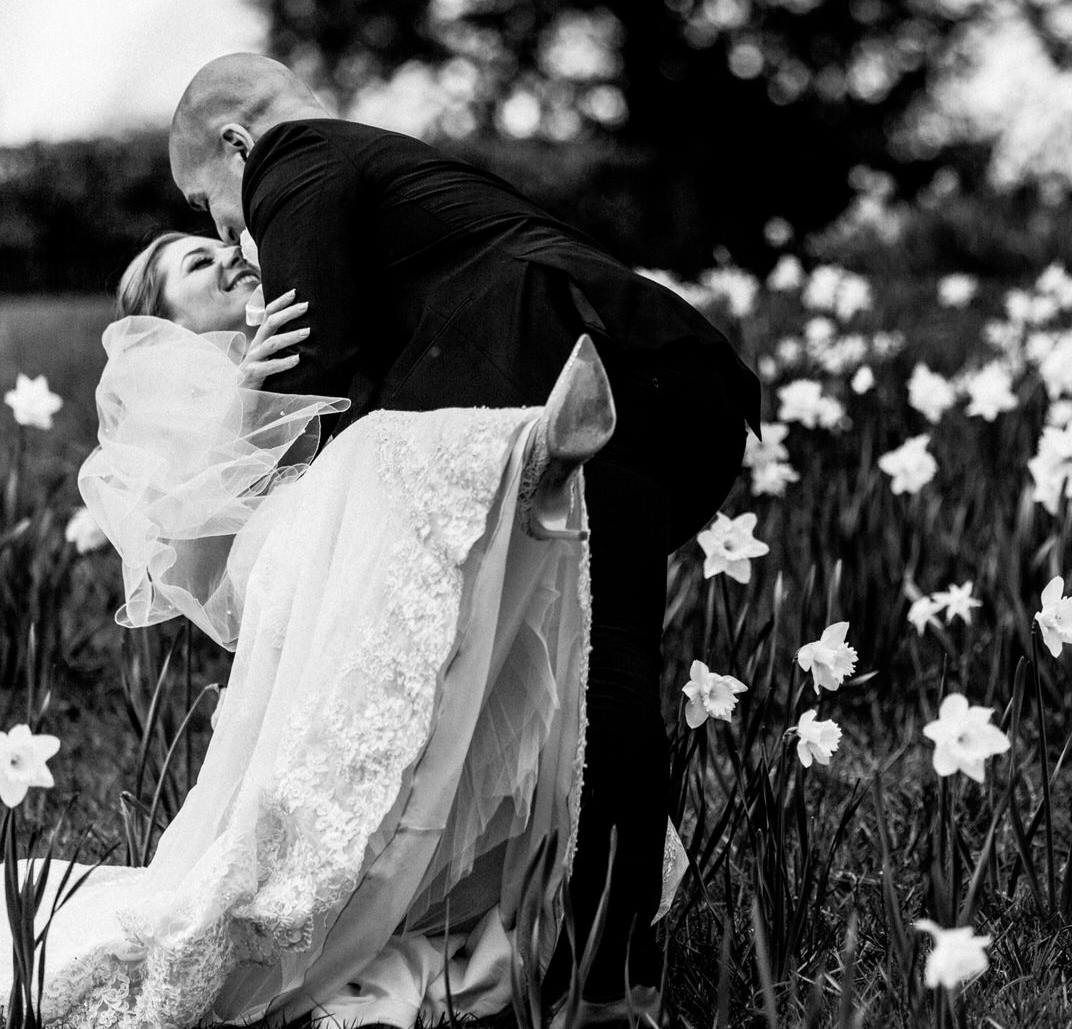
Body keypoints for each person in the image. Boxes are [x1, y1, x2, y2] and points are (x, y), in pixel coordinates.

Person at [168, 52, 761, 1020]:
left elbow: (316, 366)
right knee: (605, 673)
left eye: (220, 210)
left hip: (569, 361)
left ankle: (599, 976)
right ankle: (607, 970)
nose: (237, 238)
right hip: (664, 378)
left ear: (240, 145)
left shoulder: (294, 156)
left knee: (597, 673)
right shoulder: (401, 175)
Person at [1, 233, 680, 1028]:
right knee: (370, 453)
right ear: (163, 317)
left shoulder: (308, 344)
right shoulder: (171, 390)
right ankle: (530, 452)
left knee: (451, 583)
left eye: (221, 243)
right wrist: (239, 402)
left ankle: (534, 476)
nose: (227, 256)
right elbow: (187, 556)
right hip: (286, 562)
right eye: (194, 263)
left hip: (346, 557)